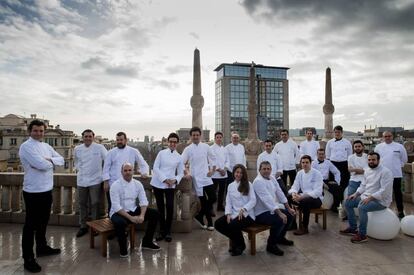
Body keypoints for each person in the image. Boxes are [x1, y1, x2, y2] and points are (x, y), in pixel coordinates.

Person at [19, 119, 64, 273]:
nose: (39, 133)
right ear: (30, 131)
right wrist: (48, 162)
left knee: (43, 222)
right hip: (32, 191)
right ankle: (28, 258)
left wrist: (48, 160)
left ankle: (42, 247)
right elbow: (41, 165)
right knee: (30, 225)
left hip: (46, 190)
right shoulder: (26, 147)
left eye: (41, 131)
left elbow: (62, 160)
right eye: (35, 130)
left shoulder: (46, 146)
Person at [340, 152, 393, 243]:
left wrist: (370, 198)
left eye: (373, 160)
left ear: (378, 160)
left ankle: (362, 234)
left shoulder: (386, 172)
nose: (371, 161)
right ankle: (353, 228)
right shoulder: (367, 170)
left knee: (362, 207)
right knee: (348, 202)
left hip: (380, 201)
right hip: (366, 196)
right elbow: (363, 185)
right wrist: (356, 194)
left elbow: (384, 191)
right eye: (369, 160)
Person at [110, 163, 160, 257]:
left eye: (129, 170)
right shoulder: (115, 185)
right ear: (121, 172)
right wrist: (131, 218)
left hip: (132, 209)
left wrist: (142, 215)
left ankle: (147, 242)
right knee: (120, 223)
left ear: (133, 171)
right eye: (125, 170)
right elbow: (116, 206)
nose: (128, 172)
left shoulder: (138, 184)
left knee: (155, 214)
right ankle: (123, 249)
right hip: (118, 212)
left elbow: (143, 201)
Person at [254, 161, 296, 256]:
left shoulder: (272, 178)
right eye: (264, 169)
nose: (266, 171)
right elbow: (267, 200)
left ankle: (280, 238)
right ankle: (271, 245)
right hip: (260, 213)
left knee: (289, 215)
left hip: (271, 209)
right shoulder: (258, 182)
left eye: (268, 169)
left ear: (271, 170)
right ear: (259, 170)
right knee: (279, 219)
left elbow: (280, 192)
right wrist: (280, 213)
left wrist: (288, 208)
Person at [214, 164, 256, 256]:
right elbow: (228, 201)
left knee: (232, 225)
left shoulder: (248, 184)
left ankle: (240, 246)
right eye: (237, 172)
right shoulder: (230, 186)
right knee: (218, 224)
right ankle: (238, 241)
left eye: (241, 173)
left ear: (244, 174)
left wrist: (244, 209)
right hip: (234, 213)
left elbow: (253, 200)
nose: (239, 174)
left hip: (247, 214)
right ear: (234, 173)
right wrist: (228, 214)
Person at [103, 132, 149, 213]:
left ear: (126, 140)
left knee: (128, 207)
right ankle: (112, 223)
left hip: (128, 184)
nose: (119, 142)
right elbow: (106, 168)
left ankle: (126, 223)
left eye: (121, 140)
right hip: (113, 184)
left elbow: (142, 163)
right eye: (117, 140)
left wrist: (144, 172)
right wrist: (106, 182)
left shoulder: (133, 151)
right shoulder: (111, 152)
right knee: (112, 206)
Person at [150, 133, 184, 242]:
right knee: (160, 208)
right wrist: (164, 179)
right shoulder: (161, 153)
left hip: (170, 184)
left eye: (175, 142)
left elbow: (181, 173)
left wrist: (175, 180)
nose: (173, 143)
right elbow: (155, 167)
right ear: (168, 142)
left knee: (170, 207)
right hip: (158, 183)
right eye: (171, 141)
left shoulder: (179, 157)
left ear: (177, 143)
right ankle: (161, 231)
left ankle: (168, 231)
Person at [74, 129, 107, 238]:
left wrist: (105, 177)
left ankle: (95, 227)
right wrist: (79, 170)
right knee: (82, 204)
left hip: (95, 180)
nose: (87, 138)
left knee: (95, 203)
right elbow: (76, 162)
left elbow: (107, 161)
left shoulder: (100, 148)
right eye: (85, 136)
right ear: (82, 137)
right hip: (81, 180)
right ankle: (83, 226)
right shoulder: (77, 149)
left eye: (90, 136)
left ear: (93, 137)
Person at [182, 127, 216, 230]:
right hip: (196, 178)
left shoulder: (206, 147)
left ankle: (200, 215)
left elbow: (213, 158)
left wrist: (212, 170)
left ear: (200, 136)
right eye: (194, 135)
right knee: (204, 201)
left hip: (206, 177)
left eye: (197, 135)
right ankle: (210, 222)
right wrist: (187, 172)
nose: (195, 137)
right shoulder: (188, 149)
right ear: (191, 136)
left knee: (213, 198)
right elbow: (181, 163)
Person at [374, 131, 408, 218]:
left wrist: (396, 166)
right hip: (382, 174)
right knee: (381, 192)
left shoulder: (400, 147)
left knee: (397, 193)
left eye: (389, 136)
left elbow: (404, 159)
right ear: (382, 137)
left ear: (392, 136)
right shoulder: (378, 147)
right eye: (385, 136)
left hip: (396, 174)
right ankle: (380, 210)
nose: (387, 138)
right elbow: (375, 160)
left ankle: (400, 211)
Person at [288, 155, 324, 235]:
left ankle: (304, 227)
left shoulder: (317, 173)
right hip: (302, 197)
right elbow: (295, 186)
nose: (305, 164)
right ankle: (293, 223)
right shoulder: (300, 173)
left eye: (307, 162)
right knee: (288, 197)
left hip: (316, 199)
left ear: (310, 163)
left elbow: (317, 192)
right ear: (301, 163)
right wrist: (294, 194)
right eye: (303, 162)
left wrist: (302, 197)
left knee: (305, 201)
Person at [325, 125, 352, 200]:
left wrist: (349, 166)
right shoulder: (329, 142)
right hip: (333, 164)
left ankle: (343, 202)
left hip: (344, 165)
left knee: (344, 183)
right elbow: (327, 156)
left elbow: (350, 156)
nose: (337, 134)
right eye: (336, 132)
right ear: (334, 133)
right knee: (333, 184)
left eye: (339, 132)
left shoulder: (347, 142)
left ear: (342, 132)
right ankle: (334, 204)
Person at [311, 148, 341, 212]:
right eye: (319, 154)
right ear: (317, 154)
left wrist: (336, 182)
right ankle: (319, 207)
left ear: (325, 155)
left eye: (322, 154)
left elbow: (337, 172)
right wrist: (322, 184)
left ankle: (334, 207)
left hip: (326, 181)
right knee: (320, 191)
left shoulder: (328, 162)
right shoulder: (313, 163)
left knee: (338, 189)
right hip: (316, 181)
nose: (321, 156)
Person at [210, 131, 230, 212]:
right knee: (213, 193)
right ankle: (210, 208)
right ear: (215, 138)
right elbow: (211, 161)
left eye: (220, 137)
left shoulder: (224, 149)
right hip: (214, 174)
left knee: (222, 192)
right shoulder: (211, 149)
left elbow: (228, 160)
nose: (219, 139)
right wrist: (219, 169)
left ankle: (220, 206)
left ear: (222, 138)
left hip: (223, 174)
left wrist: (224, 169)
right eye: (217, 137)